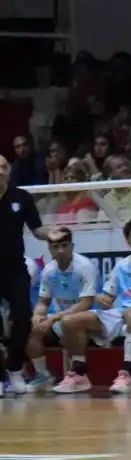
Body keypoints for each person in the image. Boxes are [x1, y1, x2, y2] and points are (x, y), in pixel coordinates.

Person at [54, 218, 131, 394]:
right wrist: (101, 298)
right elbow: (108, 295)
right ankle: (79, 374)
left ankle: (126, 375)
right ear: (128, 240)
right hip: (120, 314)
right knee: (69, 321)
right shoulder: (122, 264)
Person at [22, 228, 97, 394]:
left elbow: (85, 304)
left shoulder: (84, 266)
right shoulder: (48, 270)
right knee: (29, 328)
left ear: (72, 245)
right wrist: (38, 314)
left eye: (65, 245)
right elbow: (43, 301)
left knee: (72, 321)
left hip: (88, 319)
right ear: (49, 249)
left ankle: (79, 375)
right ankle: (43, 375)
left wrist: (53, 317)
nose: (61, 250)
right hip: (58, 319)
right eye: (55, 246)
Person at [0, 154, 44, 389]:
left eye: (3, 167)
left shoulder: (21, 197)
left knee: (23, 318)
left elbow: (37, 229)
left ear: (9, 170)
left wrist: (51, 235)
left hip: (15, 269)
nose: (0, 170)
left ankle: (15, 368)